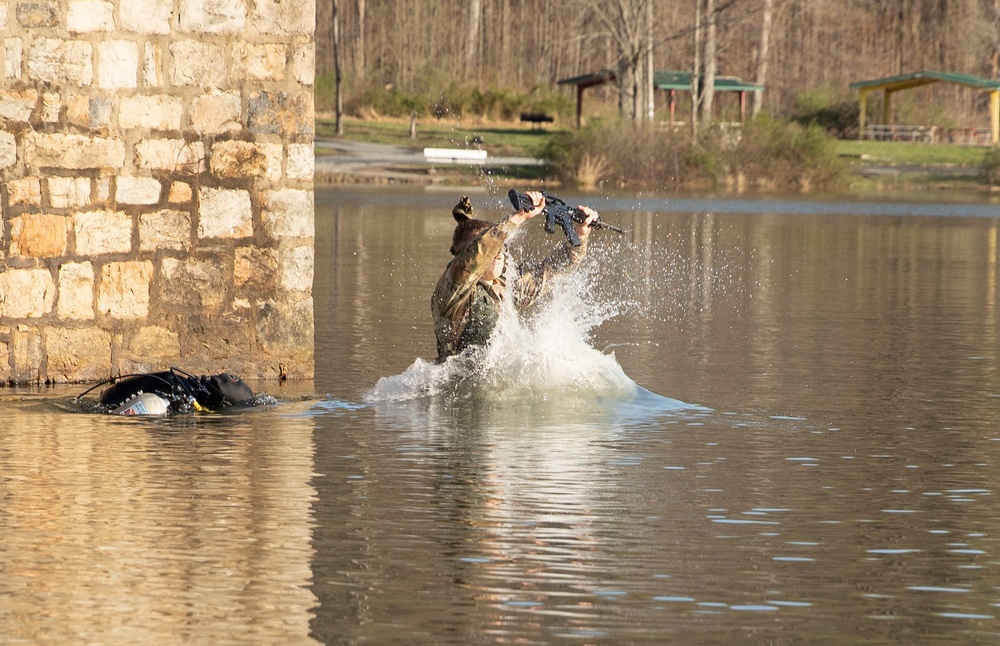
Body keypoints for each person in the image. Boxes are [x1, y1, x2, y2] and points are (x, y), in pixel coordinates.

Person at [431, 191, 600, 361]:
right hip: (457, 383)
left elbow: (553, 271)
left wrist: (580, 236)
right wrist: (518, 217)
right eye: (492, 250)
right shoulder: (452, 289)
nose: (498, 255)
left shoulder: (508, 287)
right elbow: (476, 256)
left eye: (501, 248)